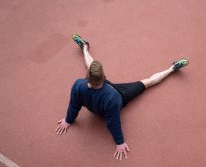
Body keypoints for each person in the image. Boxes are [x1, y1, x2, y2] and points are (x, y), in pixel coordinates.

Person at [56, 34, 189, 161]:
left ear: (87, 76)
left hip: (101, 88)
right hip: (119, 94)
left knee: (91, 64)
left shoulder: (78, 84)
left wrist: (68, 120)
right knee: (147, 82)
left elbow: (74, 104)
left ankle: (84, 47)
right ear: (104, 76)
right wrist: (120, 142)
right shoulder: (113, 98)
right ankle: (172, 68)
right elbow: (112, 122)